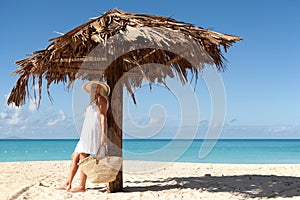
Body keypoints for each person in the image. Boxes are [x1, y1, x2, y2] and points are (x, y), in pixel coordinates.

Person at [56, 80, 110, 192]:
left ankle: (82, 185)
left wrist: (103, 135)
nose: (94, 88)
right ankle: (68, 182)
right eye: (93, 87)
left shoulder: (101, 99)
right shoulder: (93, 102)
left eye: (96, 87)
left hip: (94, 132)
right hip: (86, 133)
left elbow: (103, 117)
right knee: (75, 155)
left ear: (101, 88)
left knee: (83, 156)